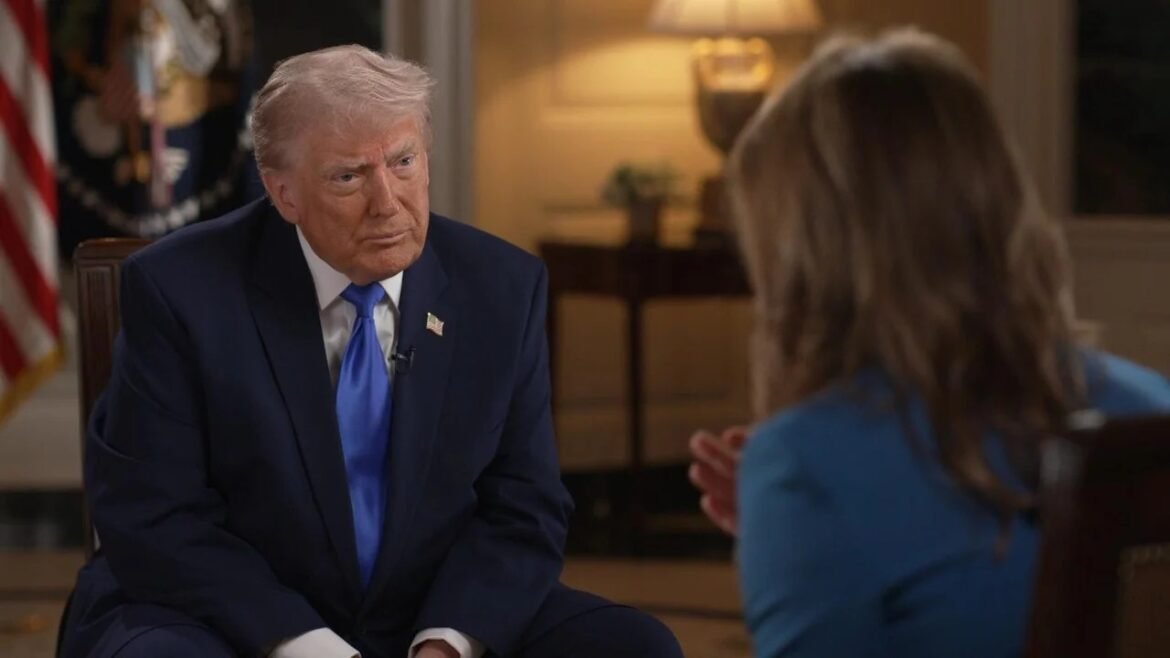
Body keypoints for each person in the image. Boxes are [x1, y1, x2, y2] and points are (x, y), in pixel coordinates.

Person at [60, 45, 682, 658]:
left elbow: (525, 510)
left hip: (428, 610)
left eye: (404, 161)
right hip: (229, 614)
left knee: (634, 646)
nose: (388, 202)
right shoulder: (181, 290)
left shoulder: (502, 289)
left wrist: (447, 642)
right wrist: (308, 647)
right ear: (283, 194)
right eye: (349, 176)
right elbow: (155, 517)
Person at [689, 29, 1170, 658]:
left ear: (803, 258)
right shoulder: (1152, 408)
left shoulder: (807, 464)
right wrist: (792, 536)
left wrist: (798, 514)